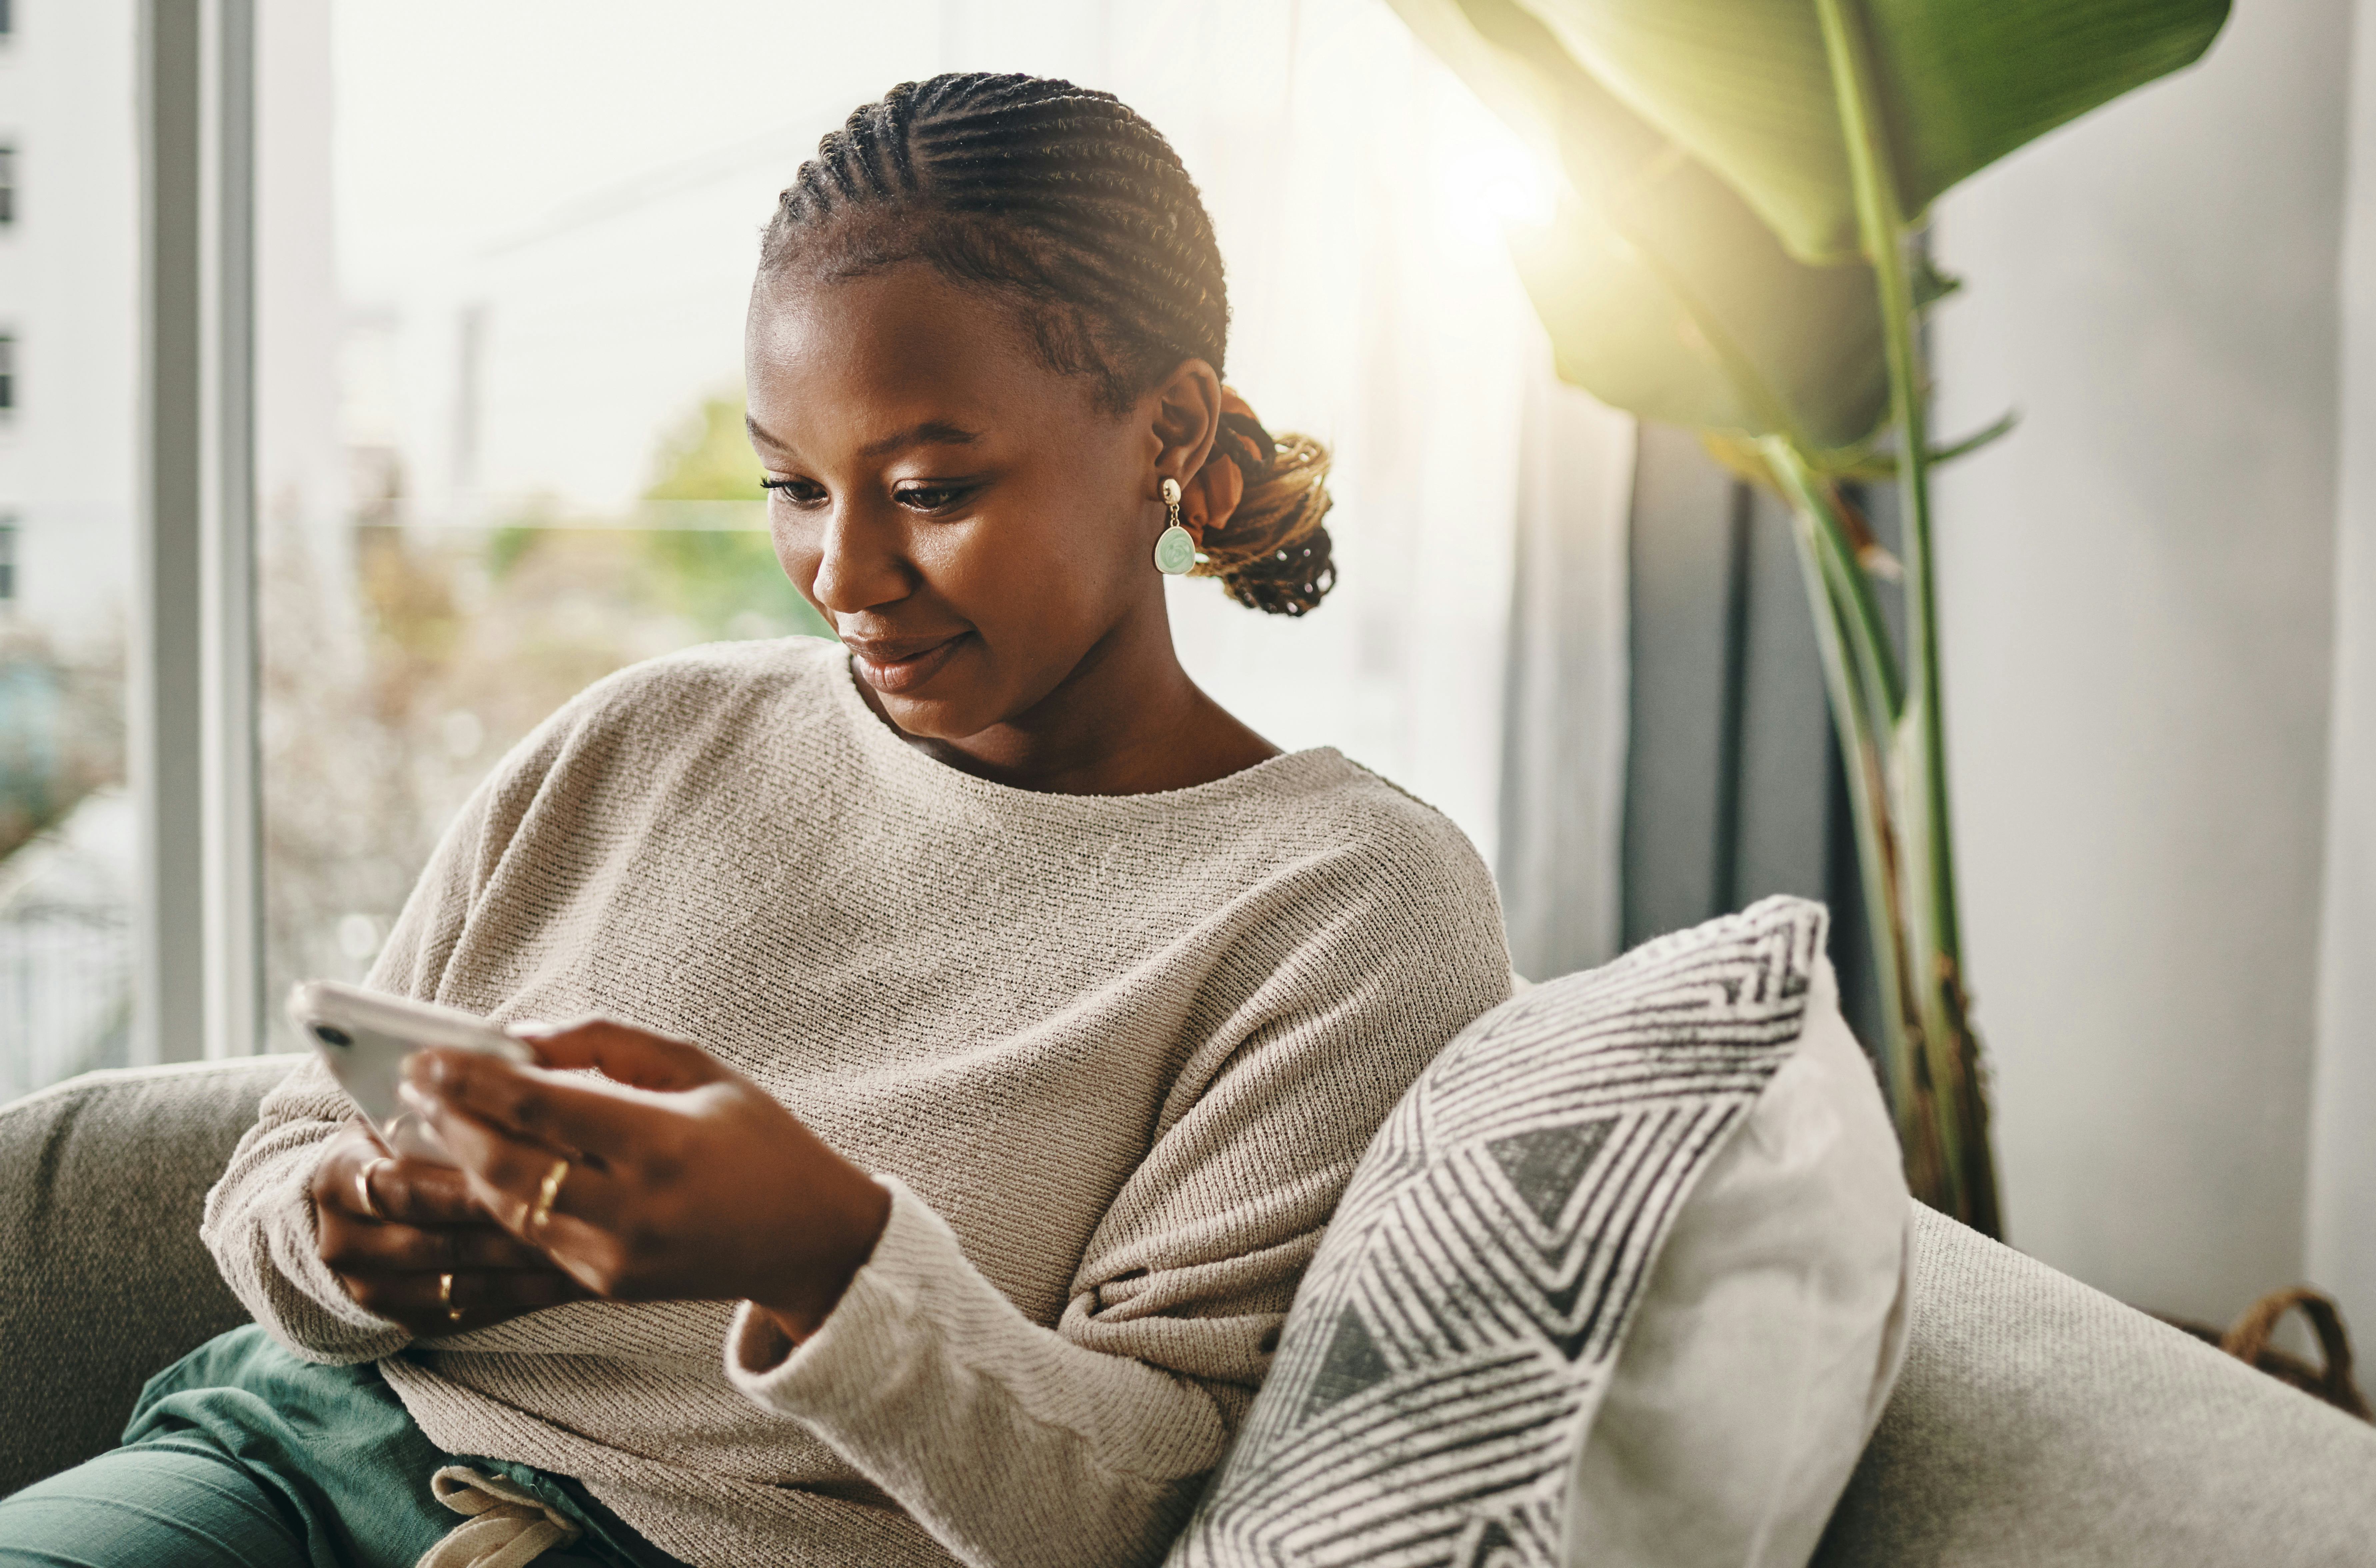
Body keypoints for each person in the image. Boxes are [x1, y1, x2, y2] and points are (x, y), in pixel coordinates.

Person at [0, 74, 1513, 1568]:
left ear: (1165, 430)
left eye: (929, 487)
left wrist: (819, 1252)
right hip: (302, 1458)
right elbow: (289, 1152)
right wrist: (347, 1231)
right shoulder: (644, 736)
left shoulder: (1345, 907)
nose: (845, 573)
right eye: (791, 485)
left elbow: (1142, 1503)